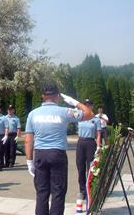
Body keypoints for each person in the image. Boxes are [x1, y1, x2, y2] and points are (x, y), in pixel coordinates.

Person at [25, 84, 94, 215]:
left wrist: (29, 161)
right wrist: (75, 102)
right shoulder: (65, 111)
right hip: (57, 154)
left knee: (41, 193)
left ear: (43, 97)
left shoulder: (32, 114)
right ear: (57, 97)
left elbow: (28, 140)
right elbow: (89, 114)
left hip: (40, 154)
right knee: (58, 192)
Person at [76, 99, 101, 200]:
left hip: (90, 143)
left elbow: (98, 134)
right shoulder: (80, 117)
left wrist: (98, 147)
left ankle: (90, 190)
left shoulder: (96, 119)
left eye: (89, 105)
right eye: (85, 105)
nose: (87, 106)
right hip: (81, 142)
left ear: (92, 106)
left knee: (90, 168)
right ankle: (82, 190)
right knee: (80, 167)